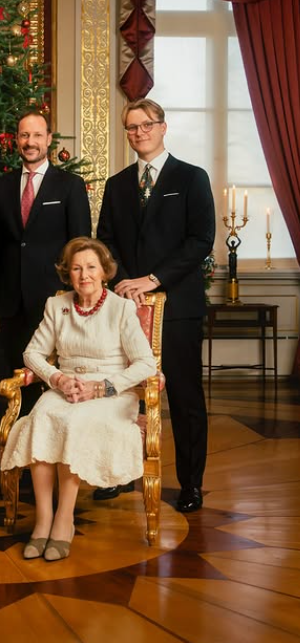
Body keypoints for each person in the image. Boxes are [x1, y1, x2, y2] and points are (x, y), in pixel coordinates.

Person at [0, 237, 156, 561]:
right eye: (76, 268)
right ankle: (43, 520)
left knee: (75, 421)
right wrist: (57, 378)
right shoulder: (57, 306)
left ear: (104, 272)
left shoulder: (122, 308)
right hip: (66, 385)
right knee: (41, 419)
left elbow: (145, 363)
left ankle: (64, 519)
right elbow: (32, 353)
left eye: (90, 267)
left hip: (110, 392)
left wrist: (102, 388)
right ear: (67, 274)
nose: (84, 275)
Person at [97, 98, 215, 513]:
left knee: (184, 398)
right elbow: (105, 241)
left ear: (163, 127)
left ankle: (191, 484)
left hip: (178, 306)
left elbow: (201, 240)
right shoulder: (118, 184)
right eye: (131, 127)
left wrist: (153, 279)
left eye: (146, 124)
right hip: (127, 309)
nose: (139, 132)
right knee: (122, 395)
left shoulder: (192, 178)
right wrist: (127, 283)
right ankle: (114, 475)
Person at [0, 110, 92, 389]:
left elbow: (80, 247)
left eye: (36, 135)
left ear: (48, 139)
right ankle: (17, 432)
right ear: (16, 140)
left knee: (50, 378)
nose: (30, 141)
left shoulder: (70, 185)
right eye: (24, 135)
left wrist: (78, 295)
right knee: (14, 379)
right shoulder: (2, 186)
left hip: (54, 298)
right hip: (10, 303)